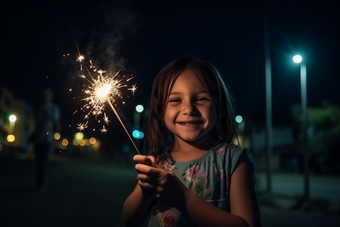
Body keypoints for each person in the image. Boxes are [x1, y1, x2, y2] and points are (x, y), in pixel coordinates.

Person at [123, 58, 261, 227]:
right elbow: (130, 219)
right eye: (175, 100)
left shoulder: (234, 159)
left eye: (201, 99)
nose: (189, 109)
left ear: (220, 109)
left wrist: (182, 198)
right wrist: (146, 190)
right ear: (160, 111)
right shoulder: (158, 161)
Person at [33, 87, 60, 190]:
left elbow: (56, 123)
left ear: (51, 96)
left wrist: (55, 138)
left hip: (47, 139)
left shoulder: (54, 108)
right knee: (38, 161)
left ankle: (43, 181)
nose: (46, 96)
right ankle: (39, 181)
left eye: (48, 94)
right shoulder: (39, 108)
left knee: (44, 160)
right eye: (44, 94)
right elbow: (37, 124)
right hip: (38, 139)